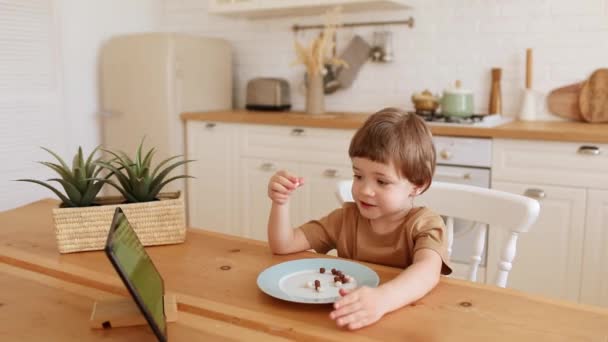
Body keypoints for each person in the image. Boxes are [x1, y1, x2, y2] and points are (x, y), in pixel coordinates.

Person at [266, 107, 452, 330]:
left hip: (406, 327)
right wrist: (280, 203)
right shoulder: (345, 219)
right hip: (350, 321)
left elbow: (427, 273)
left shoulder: (425, 225)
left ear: (417, 185)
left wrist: (383, 299)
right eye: (358, 176)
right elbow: (283, 245)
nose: (364, 190)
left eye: (381, 182)